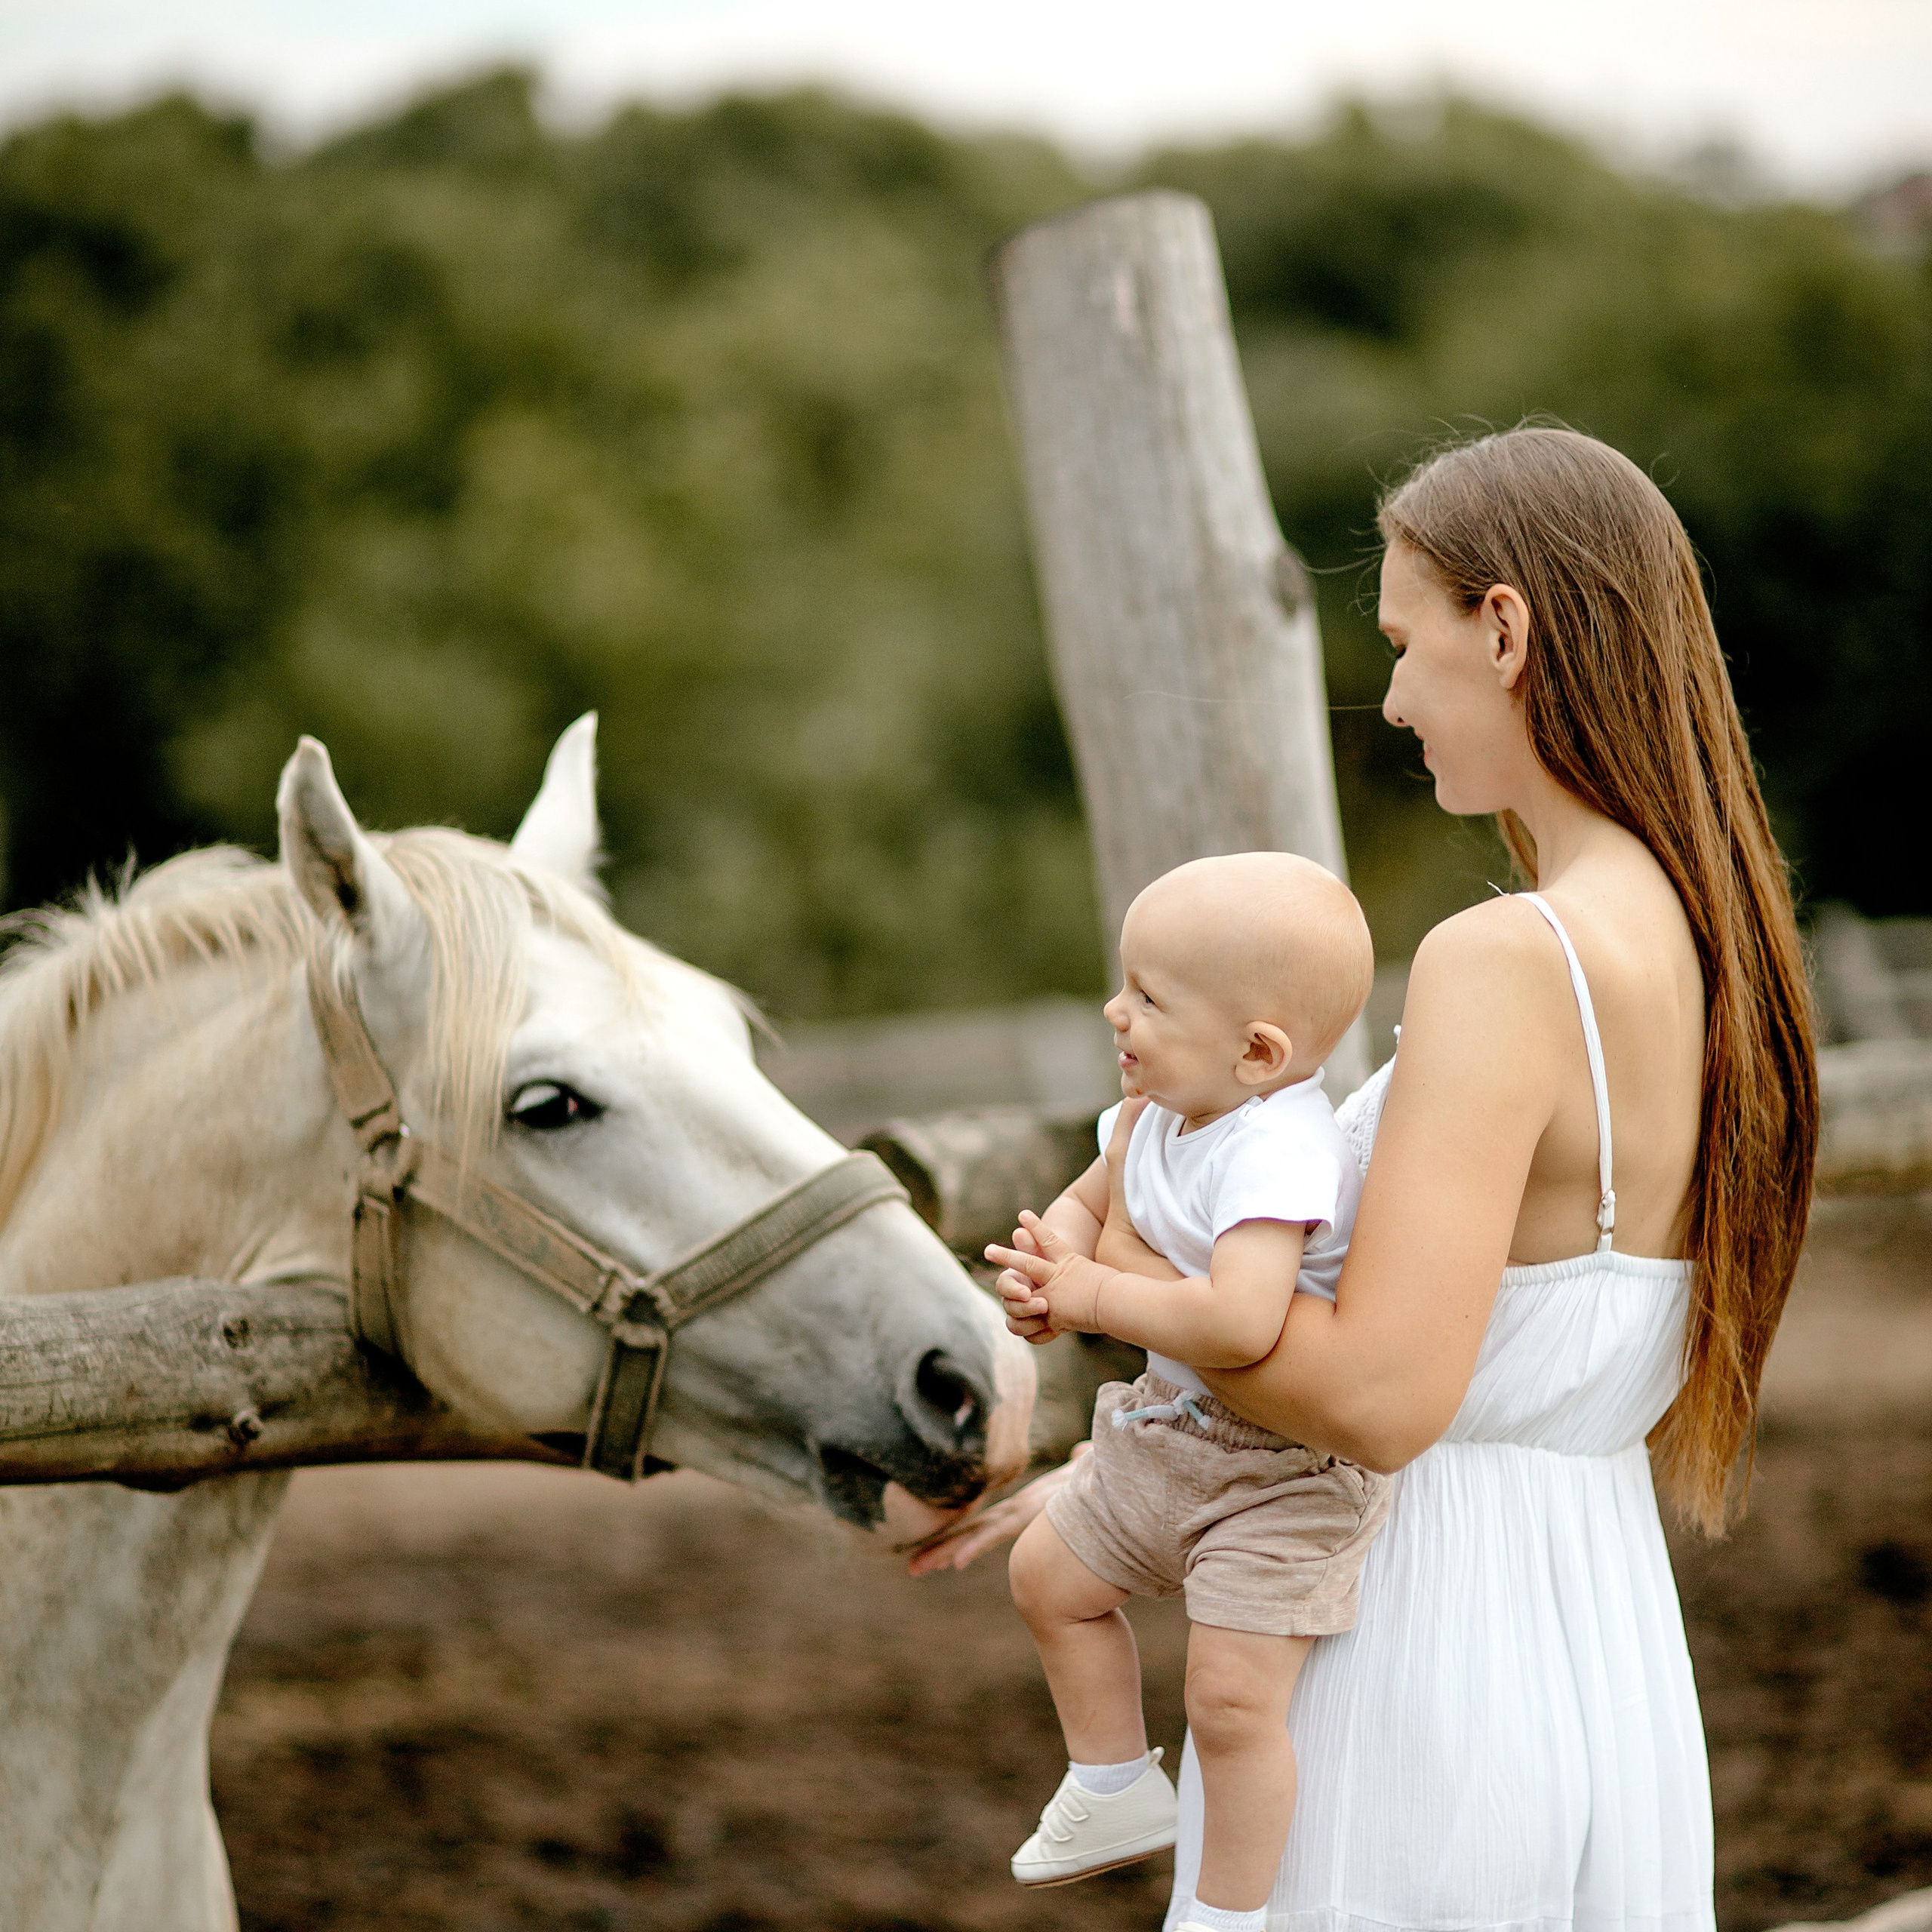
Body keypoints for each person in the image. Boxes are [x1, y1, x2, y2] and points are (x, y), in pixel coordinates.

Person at [918, 426, 1818, 1932]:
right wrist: (1136, 1475)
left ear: (1506, 628)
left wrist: (1122, 1288)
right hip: (1590, 1636)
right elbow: (1504, 1356)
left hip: (1410, 1654)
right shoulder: (1703, 937)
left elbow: (1385, 1395)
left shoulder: (1506, 959)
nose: (1392, 696)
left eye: (1404, 642)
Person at [989, 853, 1388, 1932]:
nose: (1117, 1010)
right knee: (1048, 1577)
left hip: (1281, 1470)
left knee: (1229, 1697)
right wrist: (1048, 1268)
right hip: (1169, 1434)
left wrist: (1098, 1294)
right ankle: (1113, 1785)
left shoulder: (1278, 1152)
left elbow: (1240, 1321)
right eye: (1127, 981)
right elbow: (1087, 1201)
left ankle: (1229, 1913)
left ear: (1258, 1052)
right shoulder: (1153, 1110)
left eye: (1151, 997)